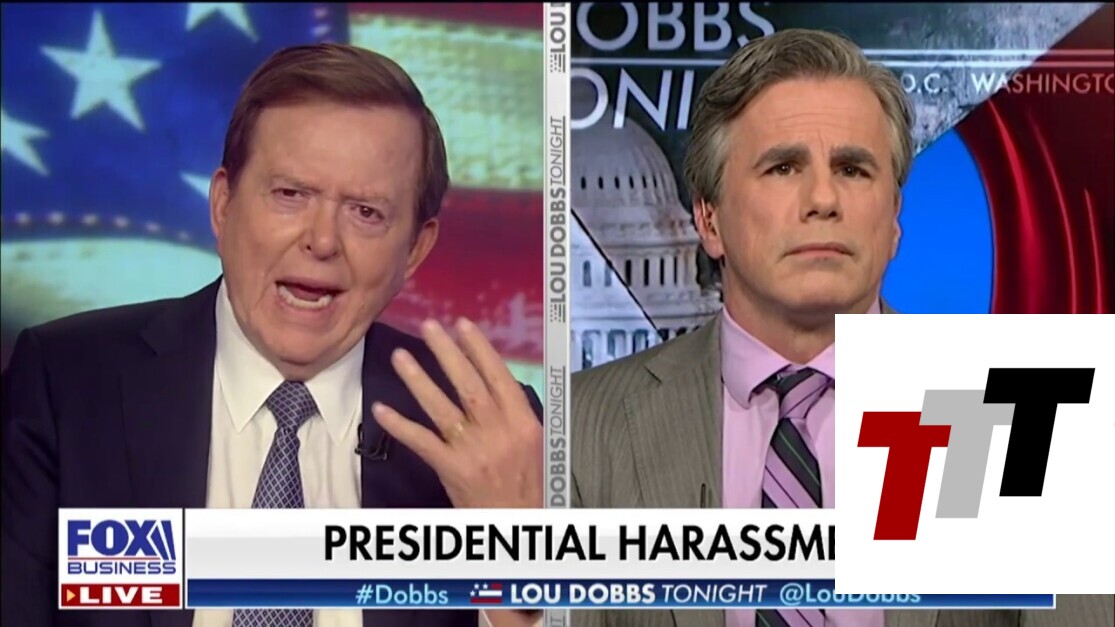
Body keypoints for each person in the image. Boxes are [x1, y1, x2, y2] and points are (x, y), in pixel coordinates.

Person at [569, 28, 1114, 627]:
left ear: (894, 220)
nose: (824, 199)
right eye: (783, 167)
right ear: (709, 219)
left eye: (853, 169)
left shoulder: (1025, 405)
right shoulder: (584, 426)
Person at [0, 44, 545, 627]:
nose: (322, 240)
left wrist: (521, 573)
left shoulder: (490, 433)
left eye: (365, 212)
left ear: (415, 248)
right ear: (223, 206)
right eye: (291, 194)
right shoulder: (65, 386)